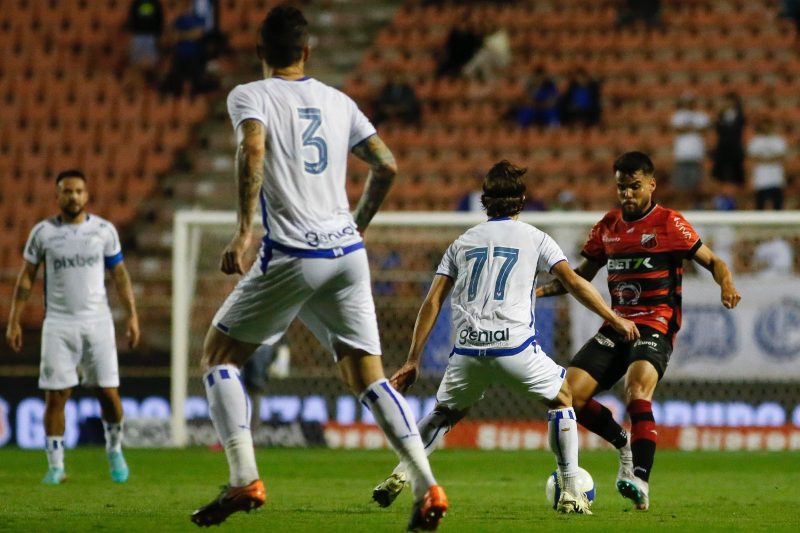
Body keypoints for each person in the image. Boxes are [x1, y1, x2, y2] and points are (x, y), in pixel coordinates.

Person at [189, 6, 447, 531]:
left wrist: (242, 230)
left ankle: (244, 476)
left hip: (293, 251)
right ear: (308, 52)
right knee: (367, 376)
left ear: (260, 51)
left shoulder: (250, 95)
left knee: (219, 357)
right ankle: (427, 486)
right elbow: (387, 164)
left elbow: (252, 146)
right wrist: (358, 224)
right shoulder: (339, 100)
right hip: (347, 253)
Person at [370, 160, 639, 515]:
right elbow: (574, 283)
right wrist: (613, 318)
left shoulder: (462, 242)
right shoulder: (536, 238)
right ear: (522, 199)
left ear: (485, 201)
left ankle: (402, 471)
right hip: (514, 347)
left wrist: (413, 359)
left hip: (467, 350)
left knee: (445, 412)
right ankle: (571, 489)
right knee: (563, 398)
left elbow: (433, 300)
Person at [536, 151, 741, 511]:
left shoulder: (669, 224)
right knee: (566, 396)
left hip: (656, 323)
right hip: (618, 324)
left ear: (651, 184)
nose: (627, 194)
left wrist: (726, 284)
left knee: (636, 390)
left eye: (634, 186)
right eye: (621, 187)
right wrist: (536, 291)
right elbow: (580, 277)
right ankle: (624, 445)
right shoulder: (608, 226)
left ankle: (640, 480)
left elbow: (714, 261)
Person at [5, 169, 140, 485]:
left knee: (108, 393)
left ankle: (115, 449)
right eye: (67, 191)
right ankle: (55, 466)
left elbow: (120, 275)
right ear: (58, 196)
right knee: (56, 395)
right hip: (59, 323)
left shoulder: (104, 231)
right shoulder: (43, 233)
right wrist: (14, 320)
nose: (73, 196)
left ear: (87, 195)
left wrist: (131, 315)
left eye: (78, 191)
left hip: (98, 323)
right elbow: (27, 277)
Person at [670, 93, 710, 207]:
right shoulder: (677, 115)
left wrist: (686, 128)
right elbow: (677, 129)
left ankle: (694, 208)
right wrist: (694, 128)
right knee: (680, 186)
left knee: (696, 186)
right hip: (681, 156)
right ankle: (683, 209)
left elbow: (703, 129)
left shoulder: (701, 115)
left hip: (696, 156)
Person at [747, 117, 788, 210]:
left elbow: (782, 157)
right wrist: (772, 159)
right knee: (760, 206)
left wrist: (763, 159)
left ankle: (779, 224)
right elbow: (752, 158)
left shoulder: (779, 140)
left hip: (776, 179)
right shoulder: (755, 141)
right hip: (761, 180)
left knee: (778, 206)